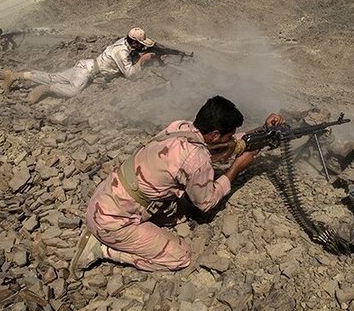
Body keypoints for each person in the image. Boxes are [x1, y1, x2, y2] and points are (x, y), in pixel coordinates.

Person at [69, 96, 284, 277]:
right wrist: (236, 168)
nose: (229, 139)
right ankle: (102, 249)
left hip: (102, 202)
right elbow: (206, 202)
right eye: (227, 134)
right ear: (215, 135)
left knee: (179, 210)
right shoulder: (196, 158)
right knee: (180, 257)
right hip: (113, 223)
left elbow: (223, 146)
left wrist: (261, 132)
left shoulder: (180, 127)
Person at [0, 27, 156, 104]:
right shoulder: (121, 52)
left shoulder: (123, 42)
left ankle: (14, 75)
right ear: (134, 42)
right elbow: (131, 75)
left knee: (52, 76)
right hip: (87, 72)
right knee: (73, 91)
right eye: (140, 44)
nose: (141, 47)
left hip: (85, 65)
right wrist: (142, 61)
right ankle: (47, 88)